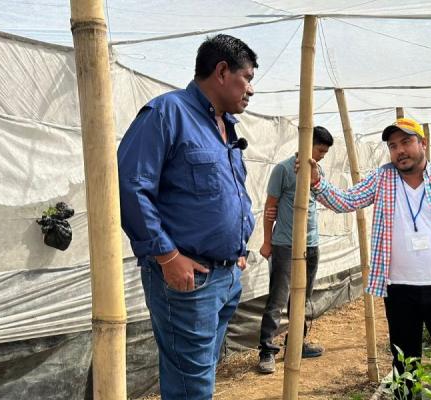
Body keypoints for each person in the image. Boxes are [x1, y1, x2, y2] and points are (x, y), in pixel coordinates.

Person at [302, 117, 431, 399]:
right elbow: (346, 201)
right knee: (405, 365)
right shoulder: (382, 178)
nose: (399, 150)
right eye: (393, 145)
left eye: (406, 142)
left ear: (422, 144)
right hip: (399, 290)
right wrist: (317, 182)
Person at [117, 34, 257, 400]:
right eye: (248, 77)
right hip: (187, 278)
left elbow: (227, 195)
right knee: (190, 387)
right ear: (222, 71)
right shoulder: (167, 113)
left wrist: (237, 249)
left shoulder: (227, 127)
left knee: (200, 374)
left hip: (225, 275)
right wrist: (167, 255)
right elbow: (131, 188)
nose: (251, 90)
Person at [256, 126, 334, 374]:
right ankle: (267, 350)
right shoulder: (283, 169)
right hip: (285, 244)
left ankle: (296, 344)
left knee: (303, 298)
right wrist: (267, 241)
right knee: (278, 299)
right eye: (320, 150)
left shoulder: (316, 170)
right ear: (307, 144)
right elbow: (270, 208)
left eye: (325, 152)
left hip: (311, 244)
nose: (322, 155)